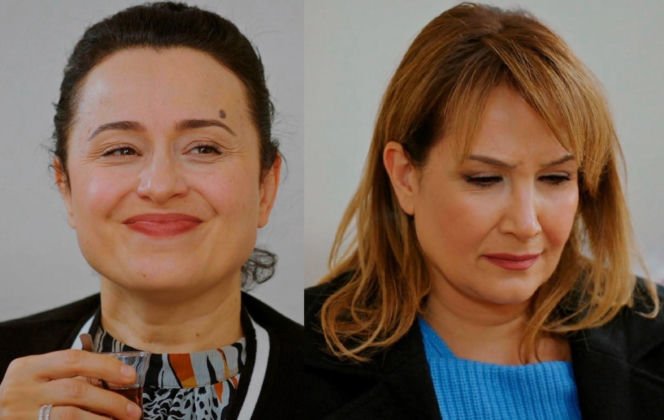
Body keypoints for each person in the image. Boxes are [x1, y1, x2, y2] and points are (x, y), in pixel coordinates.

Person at [305, 3, 664, 419]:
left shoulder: (654, 335)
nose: (526, 225)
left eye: (555, 178)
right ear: (405, 177)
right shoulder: (296, 359)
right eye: (485, 179)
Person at [0, 3, 302, 419]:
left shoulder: (363, 394)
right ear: (65, 186)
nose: (160, 186)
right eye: (121, 150)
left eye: (204, 148)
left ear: (266, 186)